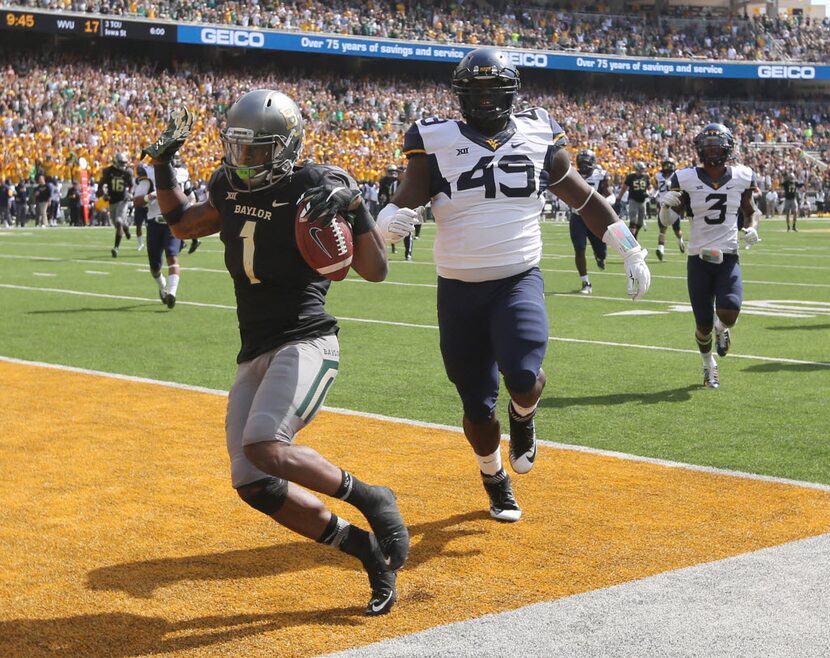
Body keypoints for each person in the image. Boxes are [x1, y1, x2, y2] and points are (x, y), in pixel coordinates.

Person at [143, 91, 409, 615]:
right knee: (252, 481)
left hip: (306, 338)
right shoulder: (226, 183)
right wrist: (164, 165)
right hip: (254, 347)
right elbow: (182, 225)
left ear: (286, 148)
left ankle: (372, 498)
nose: (245, 162)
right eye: (239, 149)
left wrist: (356, 207)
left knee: (265, 445)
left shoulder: (313, 183)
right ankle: (365, 551)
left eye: (258, 151)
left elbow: (376, 270)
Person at [377, 48, 651, 522]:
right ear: (461, 96)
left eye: (492, 90)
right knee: (477, 408)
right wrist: (386, 223)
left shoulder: (538, 131)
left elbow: (585, 199)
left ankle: (523, 418)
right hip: (458, 288)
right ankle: (494, 477)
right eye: (475, 91)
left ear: (510, 92)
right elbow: (403, 200)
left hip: (517, 279)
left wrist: (630, 248)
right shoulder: (434, 138)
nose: (484, 100)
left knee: (524, 377)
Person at [659, 123, 760, 389]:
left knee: (730, 312)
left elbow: (750, 210)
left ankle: (722, 329)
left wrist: (751, 227)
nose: (713, 151)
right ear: (700, 150)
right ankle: (708, 366)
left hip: (728, 254)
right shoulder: (685, 177)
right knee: (702, 323)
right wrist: (664, 207)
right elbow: (670, 220)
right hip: (698, 257)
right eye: (709, 146)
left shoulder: (742, 175)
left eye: (717, 146)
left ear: (728, 148)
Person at [133, 155, 194, 307]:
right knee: (155, 267)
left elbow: (192, 197)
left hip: (172, 222)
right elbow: (137, 201)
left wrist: (186, 208)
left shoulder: (181, 174)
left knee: (172, 256)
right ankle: (162, 288)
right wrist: (150, 197)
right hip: (154, 223)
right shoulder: (148, 174)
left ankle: (172, 293)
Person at [569, 150, 612, 294]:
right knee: (579, 248)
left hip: (595, 217)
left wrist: (603, 203)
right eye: (582, 163)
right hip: (577, 217)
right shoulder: (572, 174)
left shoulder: (601, 175)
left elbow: (610, 195)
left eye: (587, 163)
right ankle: (586, 282)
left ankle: (600, 258)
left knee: (601, 252)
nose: (584, 166)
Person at [98, 152, 134, 257]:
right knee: (118, 223)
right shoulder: (108, 171)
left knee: (118, 221)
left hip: (123, 200)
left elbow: (131, 185)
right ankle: (126, 227)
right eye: (121, 163)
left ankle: (116, 248)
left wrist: (130, 193)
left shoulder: (127, 173)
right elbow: (101, 185)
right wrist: (103, 194)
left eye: (124, 163)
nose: (123, 165)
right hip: (112, 201)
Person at [653, 157, 686, 261]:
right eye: (666, 164)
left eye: (669, 164)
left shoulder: (675, 175)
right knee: (662, 229)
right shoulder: (659, 176)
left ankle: (680, 240)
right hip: (663, 204)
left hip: (673, 205)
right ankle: (660, 248)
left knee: (677, 230)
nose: (668, 166)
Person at [378, 165, 412, 260]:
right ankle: (392, 248)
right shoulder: (393, 185)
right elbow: (391, 197)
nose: (398, 174)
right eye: (399, 172)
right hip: (395, 209)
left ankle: (408, 254)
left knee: (407, 231)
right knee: (391, 229)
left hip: (406, 210)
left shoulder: (410, 184)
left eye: (400, 172)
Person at [616, 161, 650, 239]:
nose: (642, 170)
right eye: (641, 169)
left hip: (643, 200)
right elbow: (624, 187)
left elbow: (648, 187)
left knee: (640, 222)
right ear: (637, 168)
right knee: (633, 220)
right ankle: (632, 238)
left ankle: (634, 235)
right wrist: (620, 196)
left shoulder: (646, 177)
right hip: (633, 200)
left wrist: (648, 192)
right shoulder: (631, 177)